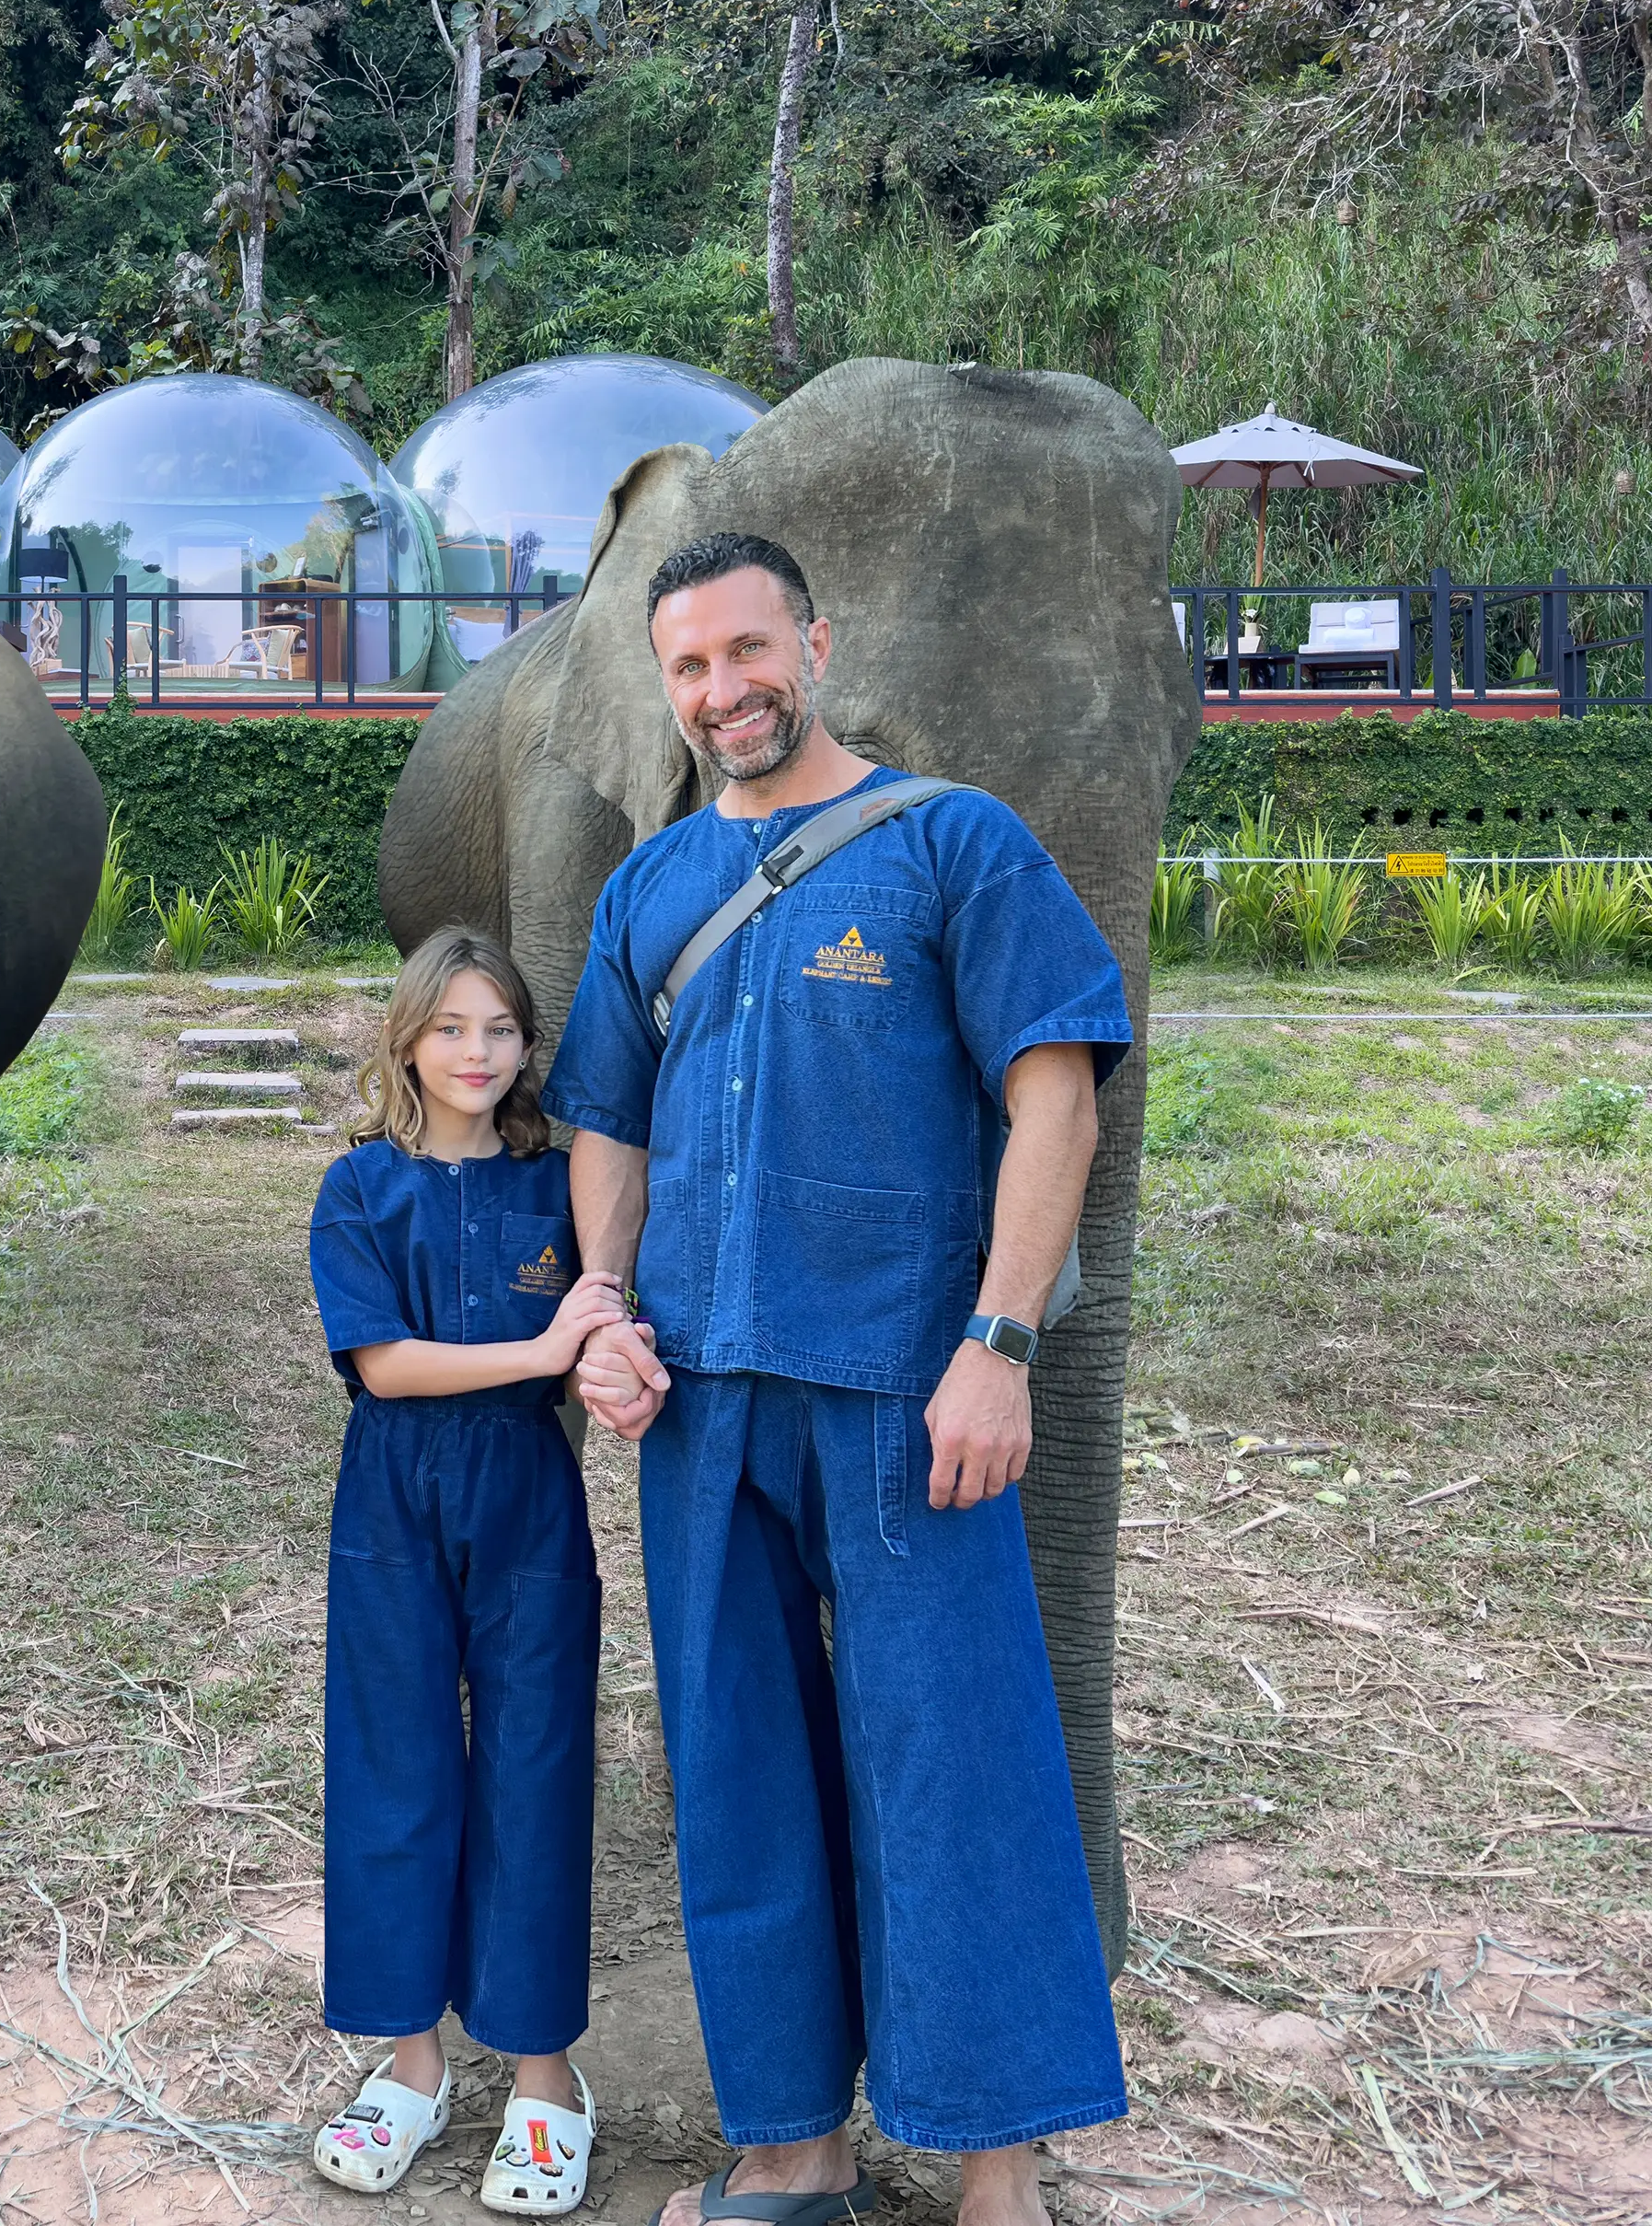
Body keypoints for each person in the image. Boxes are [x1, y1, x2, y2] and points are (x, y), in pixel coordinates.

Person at [543, 533, 1131, 2226]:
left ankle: (997, 2174)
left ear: (816, 641)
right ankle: (793, 2153)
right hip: (700, 1398)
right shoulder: (650, 885)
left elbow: (1056, 1098)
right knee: (737, 1778)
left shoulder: (958, 843)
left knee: (955, 1767)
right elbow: (608, 1122)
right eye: (690, 666)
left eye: (749, 650)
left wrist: (999, 1347)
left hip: (903, 1395)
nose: (724, 690)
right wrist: (603, 1306)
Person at [302, 927, 631, 2217]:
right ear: (407, 1042)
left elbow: (611, 1321)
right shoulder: (357, 1188)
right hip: (392, 1496)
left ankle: (545, 2080)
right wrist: (544, 1350)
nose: (476, 1052)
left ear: (527, 1047)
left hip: (529, 1498)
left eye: (499, 1029)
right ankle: (412, 2068)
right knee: (394, 1768)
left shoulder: (561, 1190)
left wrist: (601, 1353)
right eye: (450, 1028)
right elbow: (384, 1366)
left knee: (534, 1769)